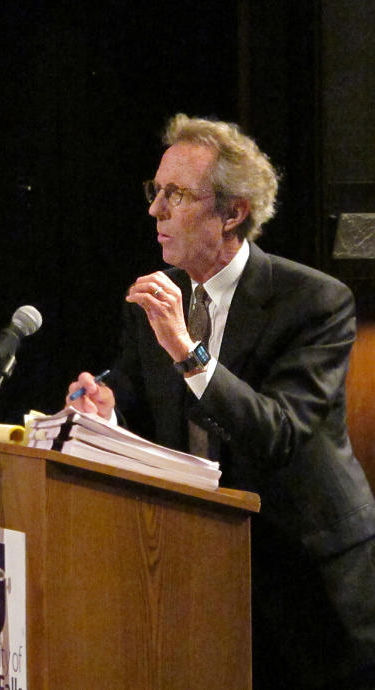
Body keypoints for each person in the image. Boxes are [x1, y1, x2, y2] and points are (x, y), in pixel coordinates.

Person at [67, 114, 375, 688]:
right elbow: (140, 402)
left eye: (176, 195)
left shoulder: (315, 301)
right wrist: (105, 409)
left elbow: (278, 430)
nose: (155, 210)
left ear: (232, 213)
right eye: (155, 191)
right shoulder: (156, 301)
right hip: (197, 559)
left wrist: (188, 350)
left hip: (303, 573)